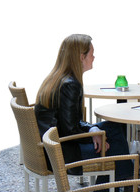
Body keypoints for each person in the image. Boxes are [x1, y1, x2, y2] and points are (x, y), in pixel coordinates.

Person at [34, 34, 133, 189]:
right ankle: (127, 180)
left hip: (50, 147)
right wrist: (94, 137)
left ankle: (124, 179)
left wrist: (93, 130)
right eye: (91, 54)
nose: (94, 57)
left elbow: (70, 122)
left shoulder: (57, 78)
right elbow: (70, 131)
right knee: (113, 146)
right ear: (81, 57)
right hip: (62, 153)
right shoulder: (70, 85)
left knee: (115, 128)